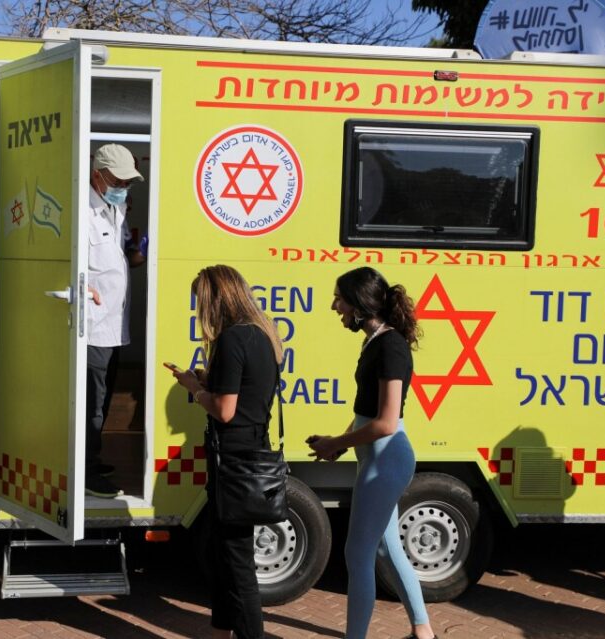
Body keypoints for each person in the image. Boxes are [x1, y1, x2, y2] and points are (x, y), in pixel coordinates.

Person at [307, 266, 436, 639]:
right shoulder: (375, 341)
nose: (334, 307)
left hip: (387, 461)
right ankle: (424, 631)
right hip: (378, 459)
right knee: (386, 549)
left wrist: (336, 443)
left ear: (360, 304)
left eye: (339, 299)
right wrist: (339, 440)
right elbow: (368, 412)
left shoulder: (390, 346)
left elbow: (386, 423)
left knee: (358, 554)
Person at [171, 265, 283, 639]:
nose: (199, 310)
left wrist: (193, 387)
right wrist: (207, 380)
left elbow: (225, 410)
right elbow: (246, 392)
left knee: (236, 563)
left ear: (217, 299)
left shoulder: (233, 338)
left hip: (233, 460)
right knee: (225, 557)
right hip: (250, 452)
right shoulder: (261, 334)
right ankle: (220, 633)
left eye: (201, 301)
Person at [85, 144, 145, 498]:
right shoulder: (81, 212)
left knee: (103, 401)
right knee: (92, 404)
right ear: (98, 175)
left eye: (128, 182)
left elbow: (123, 258)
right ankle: (86, 471)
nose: (124, 187)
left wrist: (141, 254)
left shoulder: (115, 209)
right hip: (92, 328)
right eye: (119, 180)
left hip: (114, 326)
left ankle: (91, 458)